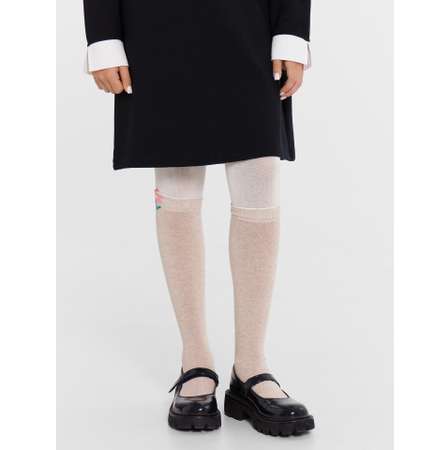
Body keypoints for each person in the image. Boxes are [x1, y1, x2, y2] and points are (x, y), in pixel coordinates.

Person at [83, 0, 315, 437]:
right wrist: (104, 37)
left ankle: (251, 367)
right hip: (155, 21)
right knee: (177, 177)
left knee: (259, 174)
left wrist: (291, 32)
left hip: (251, 22)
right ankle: (195, 361)